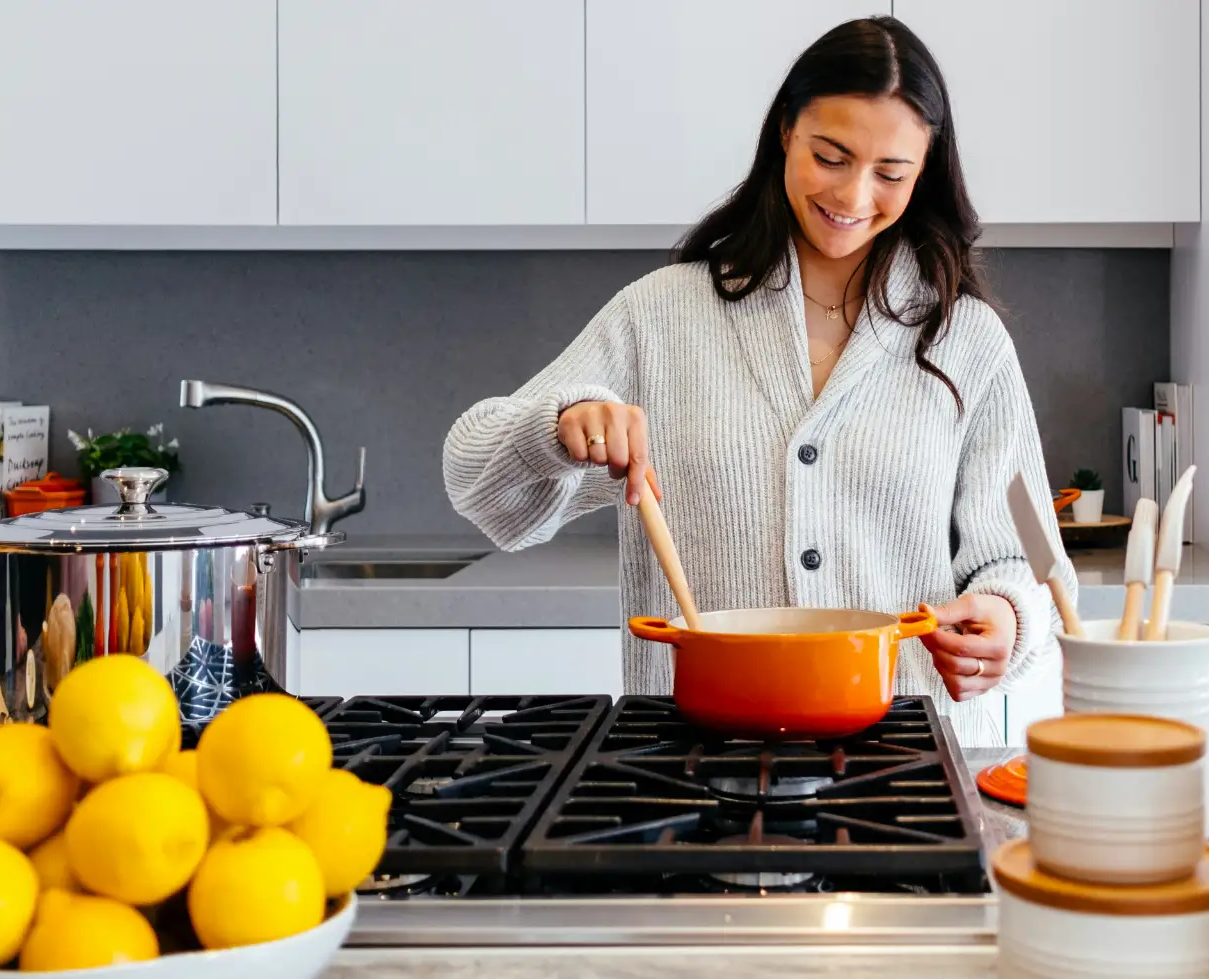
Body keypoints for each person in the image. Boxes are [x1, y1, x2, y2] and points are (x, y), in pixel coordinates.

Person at [443, 15, 1074, 746]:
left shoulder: (966, 339)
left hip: (899, 767)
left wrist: (1005, 616)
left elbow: (1025, 561)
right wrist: (557, 426)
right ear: (785, 132)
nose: (854, 194)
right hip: (688, 764)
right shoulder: (663, 315)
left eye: (890, 173)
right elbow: (476, 483)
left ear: (925, 170)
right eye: (830, 156)